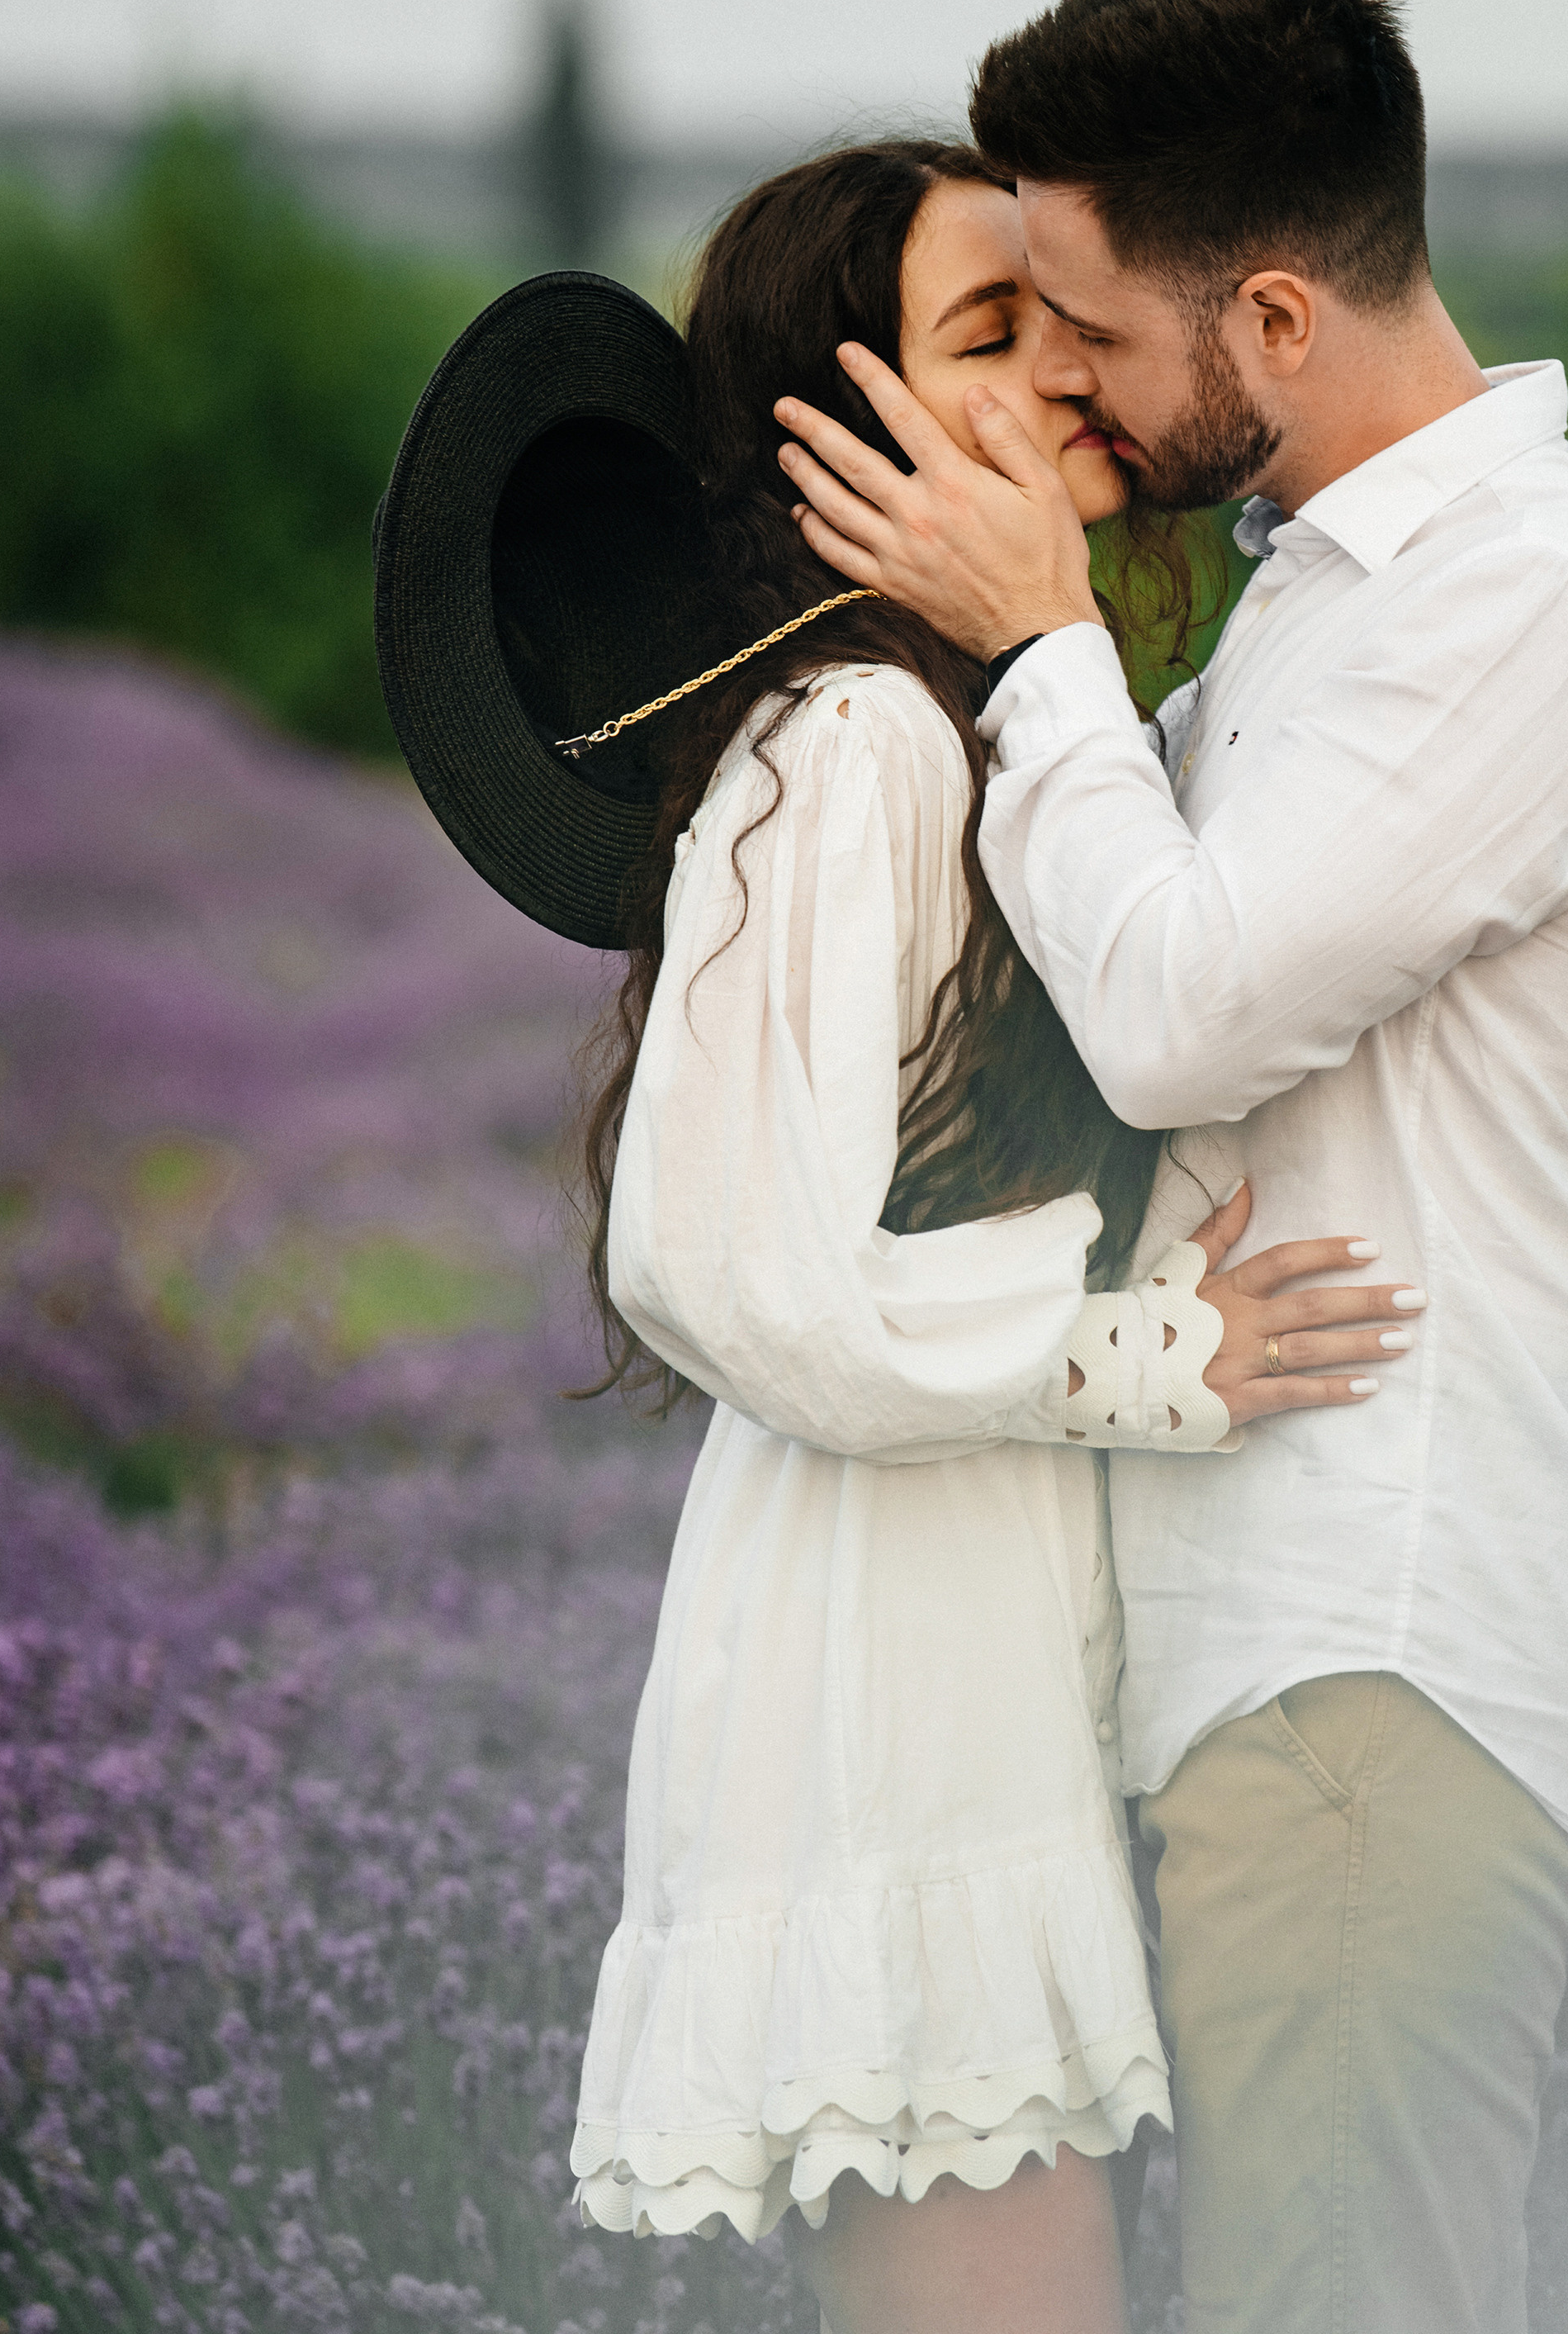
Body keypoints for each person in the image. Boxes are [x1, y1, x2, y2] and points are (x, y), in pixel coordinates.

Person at [775, 0, 1568, 2334]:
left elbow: (1186, 1011)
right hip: (1295, 1676)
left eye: (1081, 324)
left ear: (1276, 320)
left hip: (1379, 1670)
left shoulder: (1531, 604)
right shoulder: (1335, 598)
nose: (1060, 377)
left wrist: (1040, 638)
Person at [562, 142, 1420, 2334]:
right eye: (983, 335)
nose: (1060, 369)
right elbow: (720, 1262)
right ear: (836, 440)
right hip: (891, 1628)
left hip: (982, 1592)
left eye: (1058, 318)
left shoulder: (994, 727)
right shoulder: (854, 739)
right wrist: (1146, 1360)